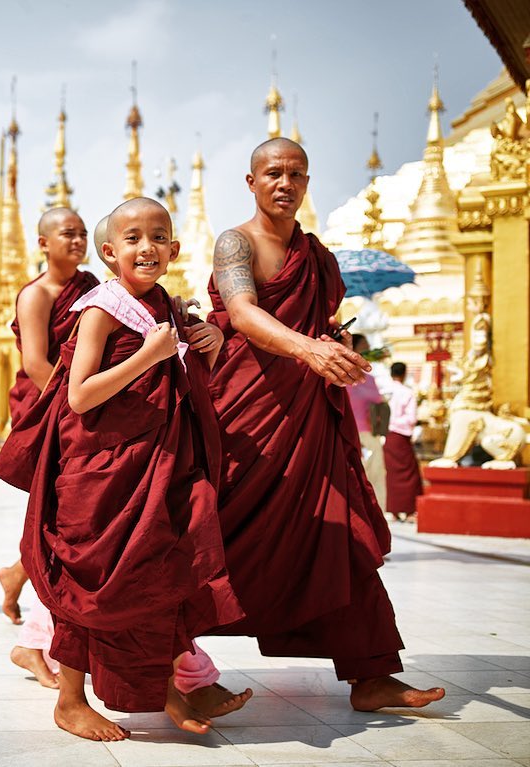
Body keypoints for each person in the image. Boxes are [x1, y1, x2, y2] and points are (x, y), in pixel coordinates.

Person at [205, 136, 444, 711]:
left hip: (307, 418)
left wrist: (332, 347)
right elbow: (241, 313)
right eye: (273, 173)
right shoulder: (236, 243)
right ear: (252, 181)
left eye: (296, 175)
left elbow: (320, 323)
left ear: (307, 184)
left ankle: (372, 673)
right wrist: (306, 349)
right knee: (216, 537)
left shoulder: (317, 256)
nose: (285, 184)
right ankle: (165, 663)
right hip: (248, 419)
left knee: (339, 536)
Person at [0, 198, 243, 741]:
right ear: (110, 253)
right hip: (99, 469)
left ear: (174, 250)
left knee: (160, 573)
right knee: (94, 584)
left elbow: (184, 382)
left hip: (155, 465)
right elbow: (80, 396)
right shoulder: (101, 310)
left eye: (158, 237)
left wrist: (211, 345)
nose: (146, 248)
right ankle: (70, 700)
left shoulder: (167, 308)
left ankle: (169, 688)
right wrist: (147, 358)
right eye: (132, 238)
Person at [0, 207, 99, 626]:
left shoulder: (91, 286)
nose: (77, 241)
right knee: (59, 509)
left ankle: (18, 573)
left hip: (79, 397)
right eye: (67, 234)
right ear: (44, 243)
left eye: (82, 234)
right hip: (48, 404)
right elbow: (38, 363)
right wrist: (76, 406)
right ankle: (27, 587)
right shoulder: (35, 295)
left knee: (68, 512)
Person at [347, 334, 388, 511]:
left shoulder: (370, 380)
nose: (367, 350)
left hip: (371, 435)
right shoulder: (341, 377)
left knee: (377, 475)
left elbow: (379, 405)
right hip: (349, 435)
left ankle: (378, 512)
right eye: (363, 346)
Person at [384, 361, 423, 521]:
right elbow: (411, 418)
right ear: (404, 373)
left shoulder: (383, 391)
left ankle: (393, 510)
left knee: (391, 473)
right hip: (401, 435)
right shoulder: (407, 392)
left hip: (387, 436)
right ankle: (408, 511)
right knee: (409, 473)